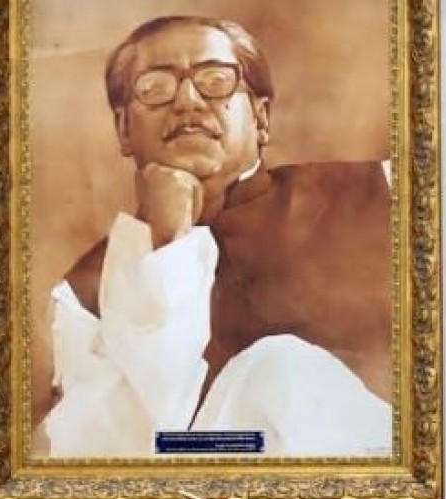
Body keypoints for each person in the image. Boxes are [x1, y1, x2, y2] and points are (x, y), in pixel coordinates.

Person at [40, 15, 394, 458]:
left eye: (215, 81)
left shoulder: (385, 193)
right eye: (155, 87)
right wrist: (167, 244)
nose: (187, 101)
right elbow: (111, 451)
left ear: (261, 117)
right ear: (124, 129)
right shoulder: (83, 295)